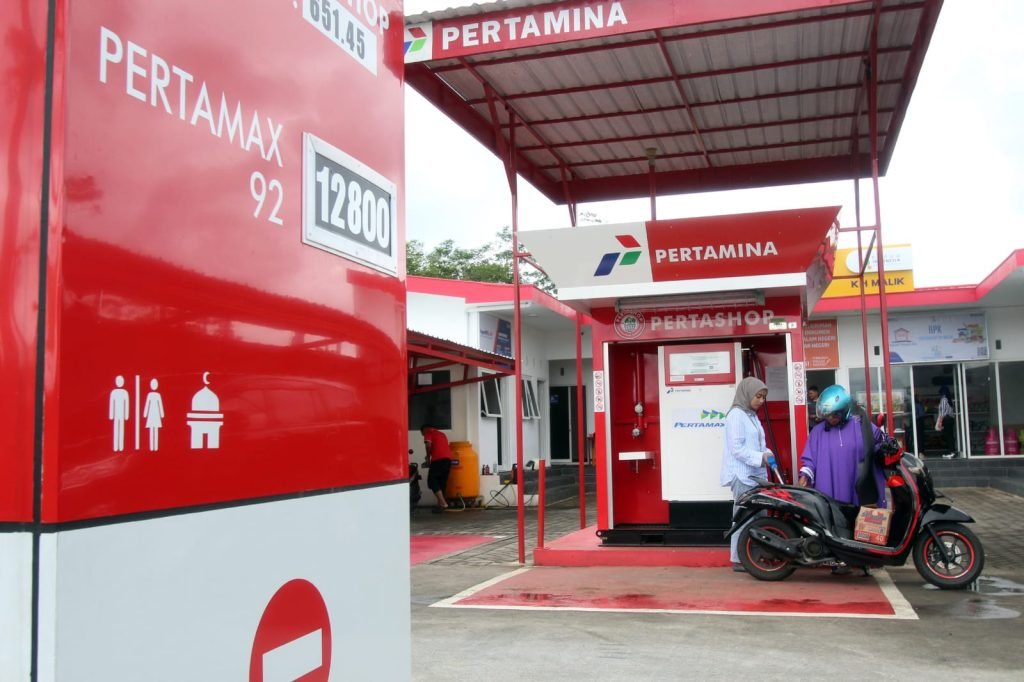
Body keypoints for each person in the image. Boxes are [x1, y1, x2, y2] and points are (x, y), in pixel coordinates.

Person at [720, 377, 775, 573]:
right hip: (742, 475)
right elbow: (737, 449)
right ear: (747, 394)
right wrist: (761, 457)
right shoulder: (736, 415)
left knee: (759, 517)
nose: (761, 400)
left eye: (763, 397)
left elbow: (759, 444)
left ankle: (754, 556)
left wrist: (767, 453)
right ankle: (738, 558)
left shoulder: (751, 415)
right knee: (744, 518)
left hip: (756, 475)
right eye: (758, 396)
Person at [421, 424, 453, 513]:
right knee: (442, 482)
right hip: (448, 460)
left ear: (424, 430)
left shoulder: (428, 432)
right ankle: (440, 506)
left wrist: (428, 458)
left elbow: (428, 445)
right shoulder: (442, 434)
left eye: (422, 434)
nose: (423, 436)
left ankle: (443, 503)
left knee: (432, 481)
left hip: (438, 459)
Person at [937, 385, 958, 458]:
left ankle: (951, 451)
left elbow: (943, 412)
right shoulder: (949, 399)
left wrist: (940, 421)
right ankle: (952, 451)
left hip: (946, 419)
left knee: (947, 435)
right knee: (950, 435)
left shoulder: (943, 399)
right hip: (950, 419)